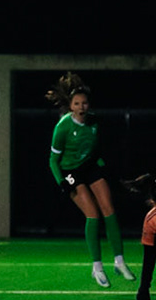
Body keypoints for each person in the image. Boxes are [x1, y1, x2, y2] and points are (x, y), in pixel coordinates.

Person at [47, 72, 131, 288]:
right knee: (92, 214)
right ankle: (97, 267)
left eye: (84, 103)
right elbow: (53, 160)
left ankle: (119, 261)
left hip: (90, 167)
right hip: (70, 172)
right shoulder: (63, 127)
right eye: (77, 103)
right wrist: (62, 182)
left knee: (108, 208)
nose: (82, 106)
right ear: (71, 106)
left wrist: (104, 167)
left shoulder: (94, 122)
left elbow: (93, 151)